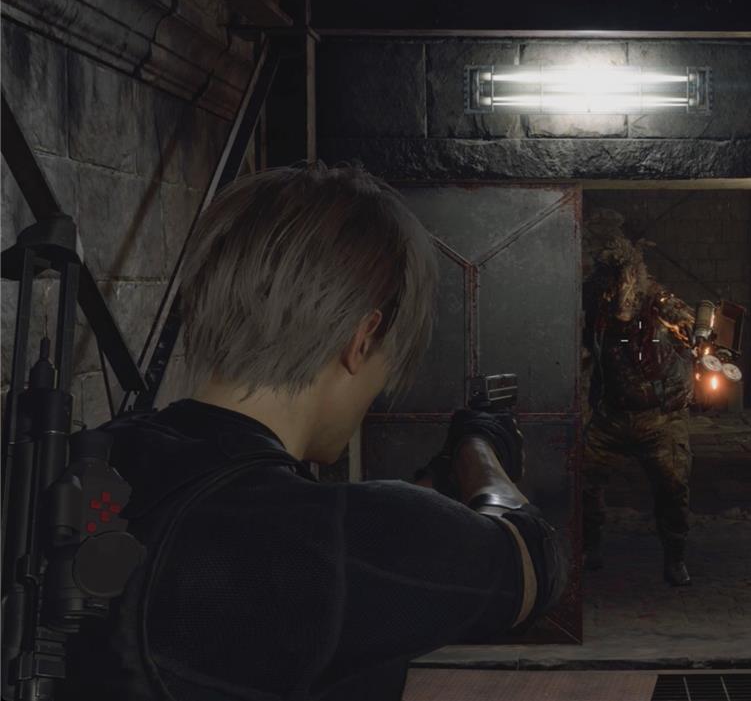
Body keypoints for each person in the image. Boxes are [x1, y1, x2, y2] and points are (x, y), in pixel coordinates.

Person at [64, 165, 567, 700]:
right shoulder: (320, 543)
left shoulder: (90, 460)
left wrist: (437, 480)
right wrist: (479, 447)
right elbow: (535, 558)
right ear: (361, 338)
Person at [581, 236, 697, 586]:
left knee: (673, 488)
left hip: (658, 417)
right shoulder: (594, 302)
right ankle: (589, 547)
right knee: (582, 479)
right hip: (611, 414)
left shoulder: (658, 302)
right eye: (613, 277)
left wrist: (691, 333)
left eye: (626, 276)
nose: (620, 287)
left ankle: (675, 557)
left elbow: (691, 327)